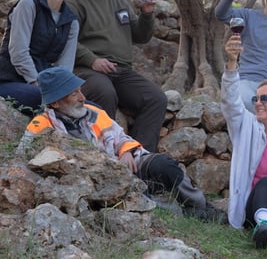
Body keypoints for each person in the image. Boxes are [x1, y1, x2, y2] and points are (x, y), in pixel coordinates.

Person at [19, 67, 225, 223]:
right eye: (74, 94)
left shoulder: (94, 112)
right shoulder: (40, 126)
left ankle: (199, 206)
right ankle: (180, 213)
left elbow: (119, 137)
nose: (82, 98)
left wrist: (126, 151)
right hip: (96, 184)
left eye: (81, 91)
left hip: (126, 164)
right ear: (55, 103)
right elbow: (23, 159)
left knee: (164, 165)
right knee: (137, 196)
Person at [66, 0, 167, 152]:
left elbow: (140, 36)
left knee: (156, 98)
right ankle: (106, 155)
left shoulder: (118, 1)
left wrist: (147, 14)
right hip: (86, 70)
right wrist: (92, 60)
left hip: (121, 71)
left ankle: (140, 156)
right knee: (104, 92)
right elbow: (65, 40)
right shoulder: (73, 0)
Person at [221, 34, 267, 247]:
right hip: (255, 209)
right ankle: (265, 228)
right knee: (265, 184)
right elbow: (230, 102)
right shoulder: (246, 126)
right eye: (255, 99)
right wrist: (232, 63)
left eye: (264, 98)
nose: (258, 103)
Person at [0, 0, 79, 116]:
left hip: (43, 85)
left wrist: (60, 88)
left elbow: (65, 66)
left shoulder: (72, 21)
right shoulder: (28, 5)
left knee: (89, 106)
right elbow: (18, 52)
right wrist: (39, 84)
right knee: (46, 100)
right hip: (9, 79)